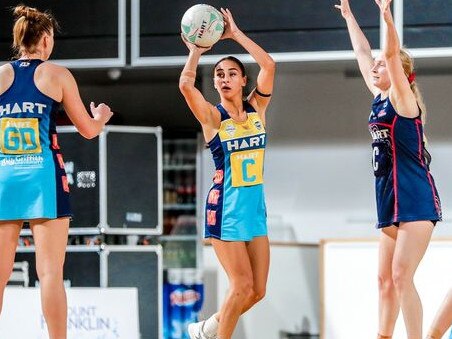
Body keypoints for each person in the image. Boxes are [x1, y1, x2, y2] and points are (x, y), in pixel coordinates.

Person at [0, 5, 113, 339]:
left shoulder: (1, 74)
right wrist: (102, 117)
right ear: (46, 40)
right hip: (43, 179)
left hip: (4, 177)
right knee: (50, 273)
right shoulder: (57, 75)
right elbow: (88, 130)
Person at [336, 0, 442, 338]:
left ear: (399, 74)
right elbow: (362, 52)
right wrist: (350, 16)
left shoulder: (402, 99)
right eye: (376, 65)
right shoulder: (379, 97)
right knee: (383, 280)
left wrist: (387, 16)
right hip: (389, 196)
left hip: (415, 198)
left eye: (382, 65)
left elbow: (391, 56)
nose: (376, 67)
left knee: (400, 277)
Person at [179, 7, 275, 339]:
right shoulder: (212, 118)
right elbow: (186, 85)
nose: (224, 78)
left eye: (232, 73)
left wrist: (235, 34)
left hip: (255, 208)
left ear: (243, 80)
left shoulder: (257, 107)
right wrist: (195, 51)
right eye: (219, 74)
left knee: (257, 291)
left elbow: (269, 65)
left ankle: (206, 328)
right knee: (241, 284)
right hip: (226, 209)